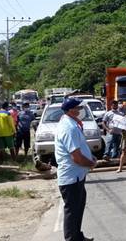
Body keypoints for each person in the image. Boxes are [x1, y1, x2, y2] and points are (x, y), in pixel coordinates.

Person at [54, 98, 96, 241]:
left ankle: (77, 236)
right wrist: (90, 163)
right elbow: (76, 157)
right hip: (71, 177)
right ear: (72, 110)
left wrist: (91, 157)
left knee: (78, 208)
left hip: (77, 175)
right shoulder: (69, 127)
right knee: (72, 210)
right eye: (78, 108)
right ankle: (72, 238)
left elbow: (80, 148)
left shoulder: (71, 123)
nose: (80, 110)